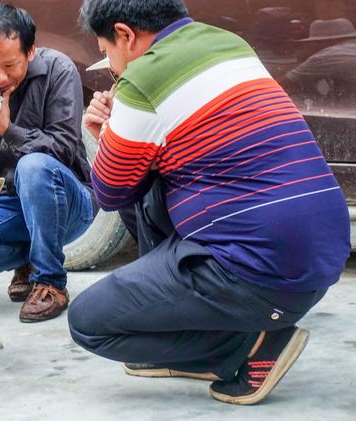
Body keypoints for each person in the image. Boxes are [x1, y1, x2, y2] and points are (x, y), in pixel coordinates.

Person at [68, 0, 350, 405]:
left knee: (88, 323)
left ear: (126, 35)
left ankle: (248, 348)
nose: (110, 64)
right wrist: (127, 132)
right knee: (147, 180)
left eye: (106, 51)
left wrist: (105, 134)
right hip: (317, 261)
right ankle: (213, 323)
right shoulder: (229, 43)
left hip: (262, 274)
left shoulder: (143, 77)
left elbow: (111, 193)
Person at [0, 4, 96, 323]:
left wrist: (5, 129)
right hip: (10, 208)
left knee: (33, 166)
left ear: (30, 52)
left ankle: (50, 282)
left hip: (69, 203)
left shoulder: (59, 71)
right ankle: (28, 261)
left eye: (10, 65)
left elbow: (64, 151)